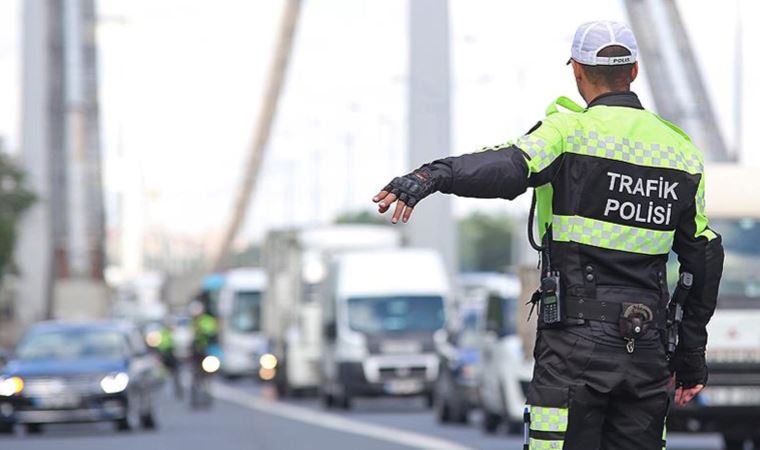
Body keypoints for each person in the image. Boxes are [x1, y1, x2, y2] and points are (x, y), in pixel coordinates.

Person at [372, 21, 724, 450]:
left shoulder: (566, 132)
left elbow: (506, 168)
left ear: (577, 70)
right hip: (646, 349)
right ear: (633, 72)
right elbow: (703, 258)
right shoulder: (680, 152)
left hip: (574, 348)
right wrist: (690, 357)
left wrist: (433, 176)